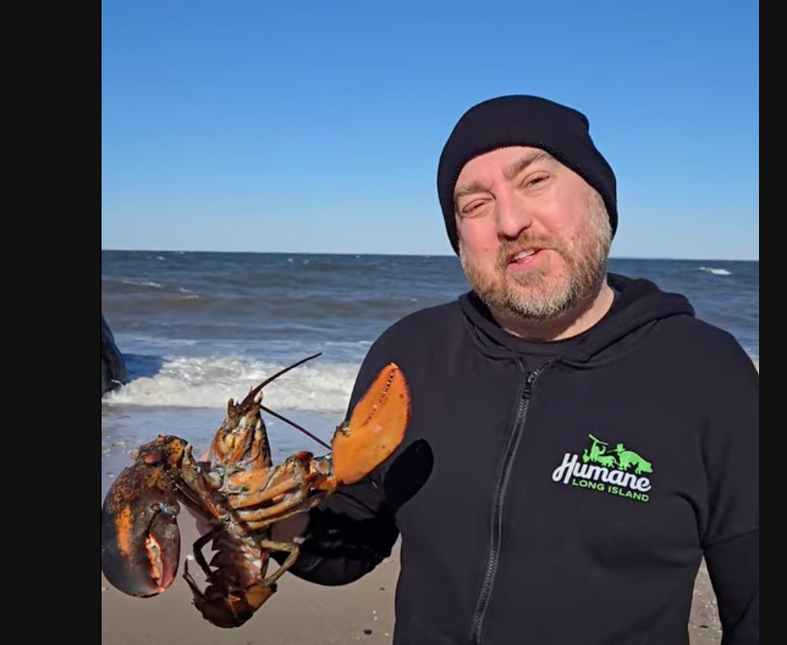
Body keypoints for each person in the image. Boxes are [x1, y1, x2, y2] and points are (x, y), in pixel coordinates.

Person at [269, 94, 759, 644]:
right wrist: (273, 520)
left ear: (598, 198)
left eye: (534, 181)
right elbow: (354, 535)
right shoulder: (410, 354)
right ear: (459, 240)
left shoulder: (709, 375)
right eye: (474, 205)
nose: (509, 221)